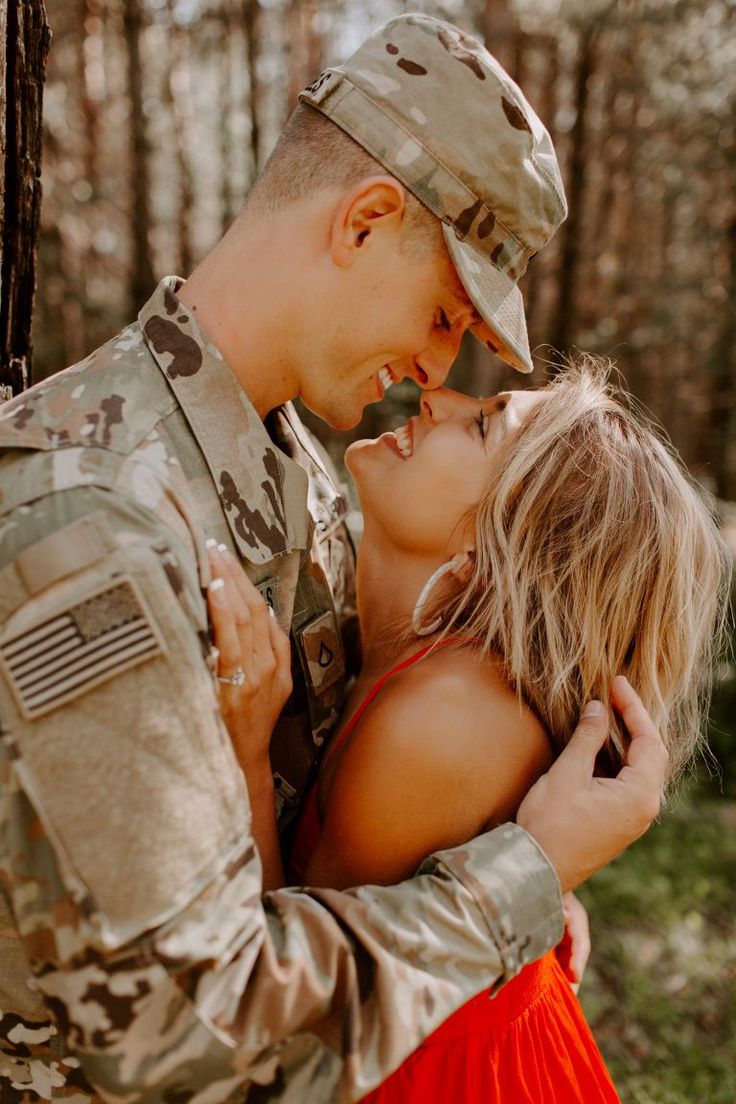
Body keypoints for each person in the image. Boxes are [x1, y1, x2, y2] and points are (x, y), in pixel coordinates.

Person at [0, 14, 668, 1104]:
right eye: (448, 310)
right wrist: (513, 890)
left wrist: (493, 883)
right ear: (364, 222)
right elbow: (188, 1043)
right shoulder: (92, 518)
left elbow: (329, 839)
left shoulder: (298, 470)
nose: (443, 365)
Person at [209, 359, 728, 1103]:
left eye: (481, 422)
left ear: (495, 545)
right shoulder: (418, 668)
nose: (438, 395)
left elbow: (290, 1012)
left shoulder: (442, 721)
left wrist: (245, 753)